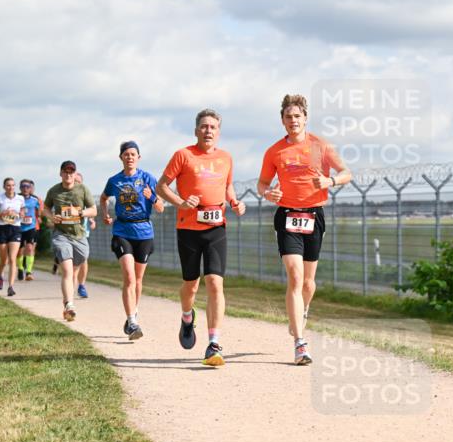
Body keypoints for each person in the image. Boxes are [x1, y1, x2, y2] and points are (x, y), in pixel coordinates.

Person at [257, 93, 352, 365]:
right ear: (282, 121)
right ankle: (300, 343)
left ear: (305, 118)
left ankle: (303, 311)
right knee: (295, 277)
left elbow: (347, 172)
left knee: (309, 283)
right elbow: (263, 184)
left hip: (314, 215)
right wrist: (268, 194)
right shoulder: (275, 151)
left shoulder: (320, 146)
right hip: (287, 215)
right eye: (288, 117)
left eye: (297, 116)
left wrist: (330, 181)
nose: (293, 121)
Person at [157, 108, 245, 366]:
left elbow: (228, 185)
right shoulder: (183, 155)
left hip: (217, 228)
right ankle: (187, 316)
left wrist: (234, 201)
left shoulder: (226, 158)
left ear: (218, 132)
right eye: (204, 127)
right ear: (196, 130)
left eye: (213, 127)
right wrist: (181, 203)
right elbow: (161, 186)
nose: (208, 131)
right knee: (191, 285)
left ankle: (214, 344)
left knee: (215, 283)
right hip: (188, 229)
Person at [100, 140, 165, 340]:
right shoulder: (115, 180)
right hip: (122, 231)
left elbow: (161, 207)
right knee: (128, 277)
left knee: (137, 279)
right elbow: (103, 198)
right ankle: (132, 321)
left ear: (139, 157)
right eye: (126, 154)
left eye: (133, 154)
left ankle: (133, 313)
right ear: (121, 157)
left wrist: (152, 198)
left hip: (144, 232)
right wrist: (105, 214)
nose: (129, 157)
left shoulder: (148, 178)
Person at [43, 161, 97, 321]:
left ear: (75, 173)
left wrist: (82, 213)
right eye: (65, 172)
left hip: (80, 236)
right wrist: (52, 217)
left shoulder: (83, 189)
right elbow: (45, 209)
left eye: (71, 172)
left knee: (74, 271)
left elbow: (94, 209)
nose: (68, 174)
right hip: (61, 235)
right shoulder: (54, 191)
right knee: (67, 271)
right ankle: (69, 305)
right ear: (61, 173)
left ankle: (68, 300)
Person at [0, 177, 24, 296]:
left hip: (15, 228)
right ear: (4, 187)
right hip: (2, 229)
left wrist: (21, 213)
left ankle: (10, 286)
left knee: (12, 258)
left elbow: (23, 211)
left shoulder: (20, 198)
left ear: (15, 186)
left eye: (12, 185)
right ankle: (0, 274)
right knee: (4, 260)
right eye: (8, 185)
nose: (10, 187)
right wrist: (3, 213)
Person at [17, 179, 42, 281]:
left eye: (27, 187)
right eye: (23, 186)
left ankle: (28, 272)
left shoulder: (34, 200)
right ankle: (20, 268)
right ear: (20, 188)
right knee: (19, 251)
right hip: (18, 227)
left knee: (30, 248)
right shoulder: (16, 199)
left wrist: (39, 217)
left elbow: (39, 210)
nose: (25, 188)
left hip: (30, 227)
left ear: (30, 188)